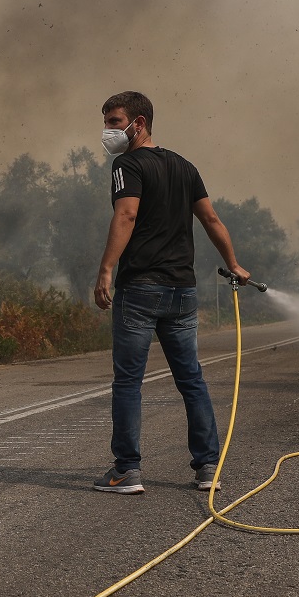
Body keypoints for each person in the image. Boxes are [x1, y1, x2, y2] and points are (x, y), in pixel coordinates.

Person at [91, 91, 250, 494]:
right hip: (183, 292)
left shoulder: (127, 164)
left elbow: (126, 214)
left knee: (128, 382)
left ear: (138, 123)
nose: (108, 130)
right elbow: (211, 218)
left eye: (114, 121)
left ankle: (126, 471)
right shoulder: (184, 166)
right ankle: (208, 467)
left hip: (141, 288)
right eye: (107, 122)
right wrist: (233, 263)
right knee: (191, 379)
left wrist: (106, 269)